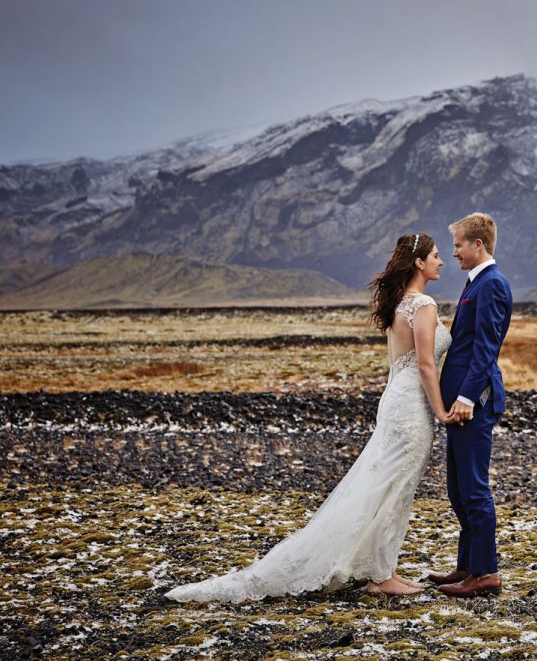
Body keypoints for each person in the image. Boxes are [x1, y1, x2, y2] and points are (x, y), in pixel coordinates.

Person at [164, 233, 453, 602]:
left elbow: (401, 363)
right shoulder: (423, 304)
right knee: (394, 486)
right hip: (411, 406)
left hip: (396, 398)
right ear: (419, 262)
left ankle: (382, 568)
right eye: (436, 255)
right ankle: (382, 575)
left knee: (384, 483)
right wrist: (441, 410)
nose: (441, 261)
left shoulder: (399, 303)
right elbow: (427, 365)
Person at [428, 213, 513, 598]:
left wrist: (465, 398)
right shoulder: (475, 282)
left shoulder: (492, 285)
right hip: (461, 405)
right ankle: (467, 566)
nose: (455, 252)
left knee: (474, 489)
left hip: (471, 405)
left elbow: (486, 348)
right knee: (458, 490)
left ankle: (485, 574)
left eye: (459, 245)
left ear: (478, 245)